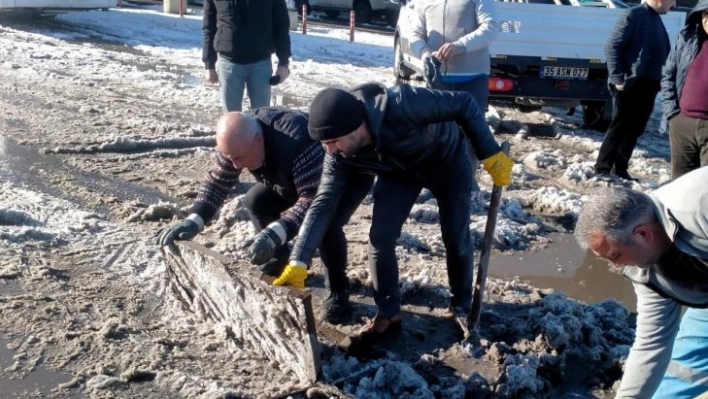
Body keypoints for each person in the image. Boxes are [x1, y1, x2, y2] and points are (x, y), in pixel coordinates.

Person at [271, 83, 513, 344]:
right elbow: (323, 202)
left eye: (333, 142)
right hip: (398, 173)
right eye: (324, 144)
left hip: (446, 162)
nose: (329, 150)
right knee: (380, 238)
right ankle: (388, 312)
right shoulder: (337, 153)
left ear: (356, 127)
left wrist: (490, 153)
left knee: (454, 234)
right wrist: (299, 259)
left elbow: (464, 102)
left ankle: (462, 303)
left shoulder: (401, 104)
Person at [155, 109, 364, 323]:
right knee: (256, 201)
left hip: (336, 183)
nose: (236, 165)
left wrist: (275, 233)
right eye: (230, 157)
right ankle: (280, 258)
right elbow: (218, 181)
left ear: (259, 140)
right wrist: (194, 220)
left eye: (239, 158)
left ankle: (338, 289)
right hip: (287, 177)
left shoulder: (300, 141)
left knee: (326, 225)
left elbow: (313, 202)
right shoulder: (237, 138)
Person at [573, 166, 708, 399]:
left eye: (615, 255)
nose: (615, 266)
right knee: (681, 374)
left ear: (643, 234)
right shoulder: (645, 269)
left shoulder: (700, 205)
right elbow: (651, 344)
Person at [409, 0, 498, 192]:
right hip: (437, 78)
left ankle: (466, 181)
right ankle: (434, 183)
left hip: (472, 76)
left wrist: (460, 46)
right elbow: (414, 34)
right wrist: (424, 53)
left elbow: (491, 27)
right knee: (435, 132)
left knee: (471, 131)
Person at [594, 0, 675, 181]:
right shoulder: (633, 14)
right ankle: (602, 169)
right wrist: (617, 77)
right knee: (619, 127)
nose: (675, 4)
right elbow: (612, 46)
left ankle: (621, 169)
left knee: (635, 129)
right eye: (672, 0)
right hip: (630, 84)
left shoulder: (656, 18)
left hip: (648, 85)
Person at [202, 0, 292, 112]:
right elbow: (209, 28)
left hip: (260, 64)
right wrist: (209, 64)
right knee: (232, 122)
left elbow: (281, 27)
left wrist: (284, 63)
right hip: (229, 65)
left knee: (262, 118)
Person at [661, 0, 708, 180]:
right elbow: (668, 75)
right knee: (681, 185)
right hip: (682, 124)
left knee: (705, 189)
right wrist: (672, 113)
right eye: (705, 15)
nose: (707, 21)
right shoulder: (688, 37)